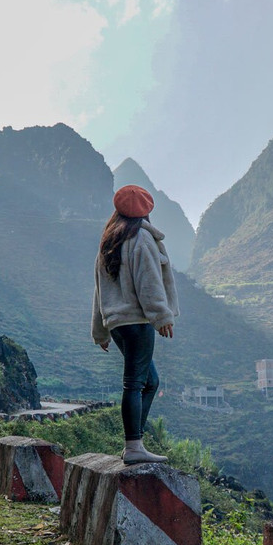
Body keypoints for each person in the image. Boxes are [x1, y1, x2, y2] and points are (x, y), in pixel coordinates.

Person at [91, 184, 179, 464]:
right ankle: (133, 446)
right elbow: (149, 281)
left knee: (150, 381)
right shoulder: (141, 238)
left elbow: (99, 290)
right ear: (146, 212)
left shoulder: (109, 241)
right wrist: (161, 316)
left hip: (118, 325)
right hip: (138, 322)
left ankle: (135, 440)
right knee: (134, 383)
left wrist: (101, 330)